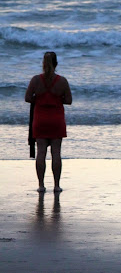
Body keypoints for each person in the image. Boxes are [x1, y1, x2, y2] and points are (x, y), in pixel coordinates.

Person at [25, 51, 72, 193]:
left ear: (43, 64)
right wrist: (57, 99)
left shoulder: (36, 80)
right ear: (56, 64)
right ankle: (56, 185)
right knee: (56, 153)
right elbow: (68, 100)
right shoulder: (62, 81)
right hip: (56, 120)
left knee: (41, 153)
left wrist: (39, 99)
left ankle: (41, 185)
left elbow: (28, 98)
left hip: (40, 120)